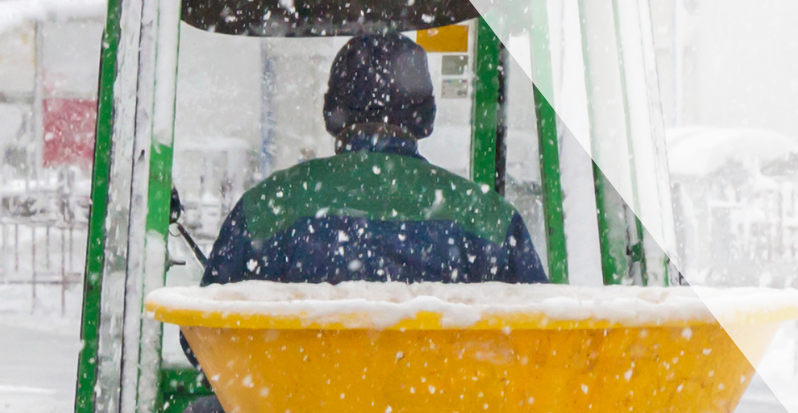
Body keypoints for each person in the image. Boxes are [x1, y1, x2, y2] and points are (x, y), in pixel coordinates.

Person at [200, 31, 546, 288]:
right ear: (426, 116)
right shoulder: (488, 218)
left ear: (331, 112)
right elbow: (540, 343)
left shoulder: (266, 207)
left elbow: (204, 340)